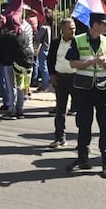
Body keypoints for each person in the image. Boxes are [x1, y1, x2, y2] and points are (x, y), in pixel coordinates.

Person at [65, 12, 106, 179]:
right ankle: (82, 159)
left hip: (103, 90)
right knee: (84, 124)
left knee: (105, 126)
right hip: (83, 89)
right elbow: (72, 62)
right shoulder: (78, 40)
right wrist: (88, 62)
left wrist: (105, 63)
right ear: (95, 25)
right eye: (104, 24)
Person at [47, 18, 77, 148]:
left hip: (76, 79)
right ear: (63, 29)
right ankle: (59, 138)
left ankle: (82, 140)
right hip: (60, 79)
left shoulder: (78, 42)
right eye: (70, 28)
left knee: (81, 110)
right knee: (60, 110)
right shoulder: (55, 42)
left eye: (74, 28)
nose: (73, 30)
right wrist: (52, 74)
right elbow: (50, 59)